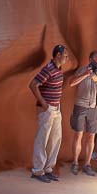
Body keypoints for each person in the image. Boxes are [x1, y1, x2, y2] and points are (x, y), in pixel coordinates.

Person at [28, 44, 68, 183]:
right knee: (42, 139)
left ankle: (48, 169)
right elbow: (33, 85)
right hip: (47, 109)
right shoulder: (49, 68)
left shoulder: (59, 69)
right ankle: (38, 171)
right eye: (65, 55)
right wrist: (44, 104)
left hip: (56, 109)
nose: (66, 58)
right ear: (58, 55)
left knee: (55, 139)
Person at [68, 50, 97, 176]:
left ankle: (87, 164)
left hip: (94, 108)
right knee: (78, 134)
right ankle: (75, 163)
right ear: (90, 59)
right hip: (81, 105)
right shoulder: (82, 70)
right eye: (96, 60)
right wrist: (86, 74)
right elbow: (71, 83)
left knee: (91, 136)